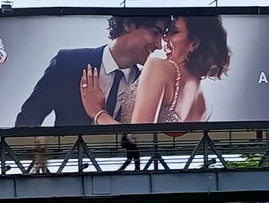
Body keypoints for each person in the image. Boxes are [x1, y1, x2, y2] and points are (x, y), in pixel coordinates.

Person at [14, 15, 167, 127]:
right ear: (128, 24)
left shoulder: (146, 85)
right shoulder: (67, 63)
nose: (159, 45)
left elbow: (139, 142)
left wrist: (98, 112)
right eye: (155, 33)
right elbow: (28, 120)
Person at [80, 15, 231, 126]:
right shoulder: (204, 104)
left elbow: (139, 139)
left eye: (174, 31)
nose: (164, 39)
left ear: (194, 43)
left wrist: (98, 113)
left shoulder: (158, 67)